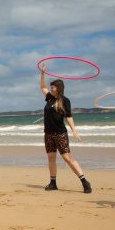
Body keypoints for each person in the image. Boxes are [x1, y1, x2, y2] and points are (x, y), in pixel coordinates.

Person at [39, 64, 92, 194]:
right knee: (51, 158)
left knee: (68, 158)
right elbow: (42, 87)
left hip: (60, 133)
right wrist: (43, 73)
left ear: (59, 88)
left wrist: (74, 131)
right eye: (51, 86)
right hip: (48, 134)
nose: (51, 88)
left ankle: (84, 181)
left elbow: (69, 116)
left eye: (53, 86)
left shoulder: (65, 101)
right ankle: (53, 183)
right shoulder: (49, 98)